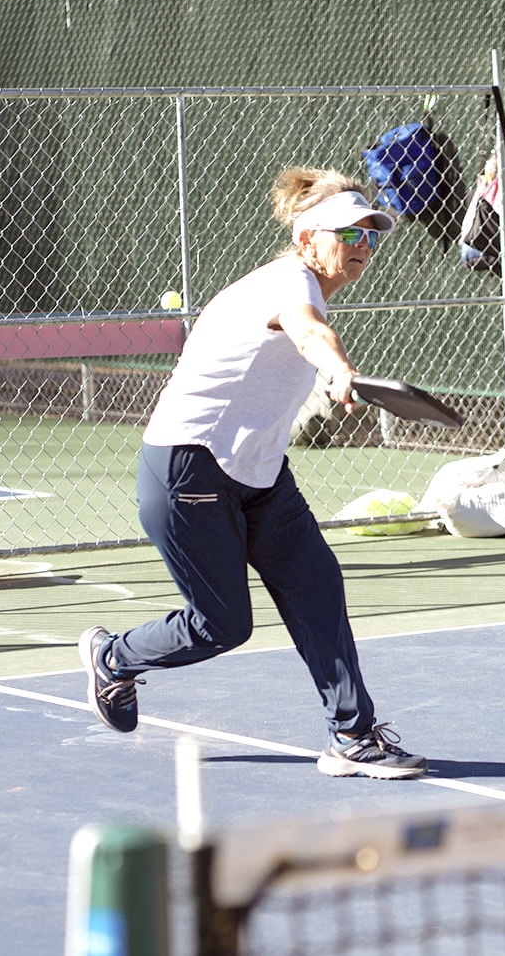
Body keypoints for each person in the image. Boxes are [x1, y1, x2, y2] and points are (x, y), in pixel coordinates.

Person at [79, 168, 428, 780]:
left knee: (318, 585)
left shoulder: (305, 282)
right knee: (223, 624)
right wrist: (337, 368)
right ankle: (113, 658)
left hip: (260, 473)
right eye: (348, 233)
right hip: (188, 467)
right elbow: (309, 330)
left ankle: (352, 736)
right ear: (307, 239)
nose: (362, 245)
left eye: (371, 234)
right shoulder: (290, 283)